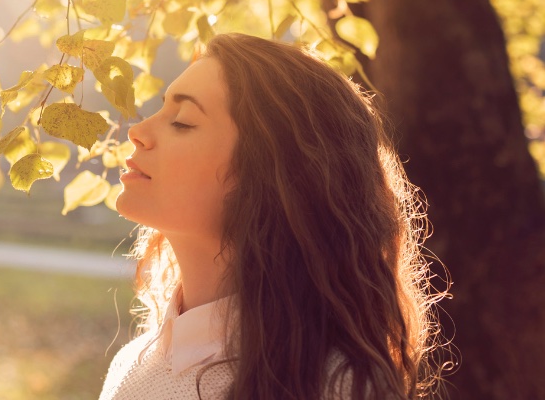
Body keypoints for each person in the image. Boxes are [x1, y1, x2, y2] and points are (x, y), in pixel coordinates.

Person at [99, 33, 447, 400]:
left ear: (268, 172)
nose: (137, 132)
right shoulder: (132, 364)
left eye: (182, 121)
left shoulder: (337, 389)